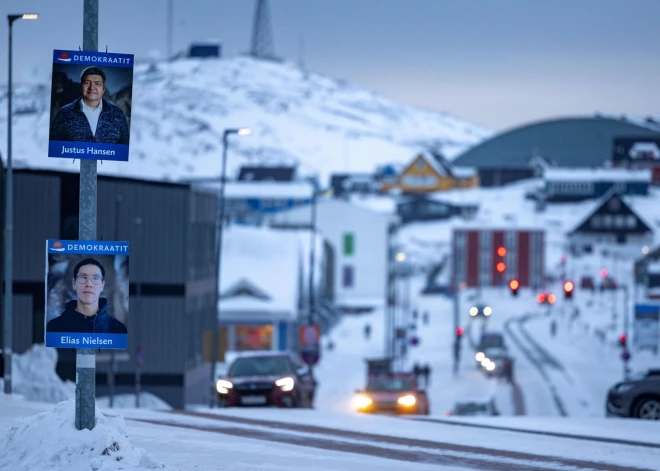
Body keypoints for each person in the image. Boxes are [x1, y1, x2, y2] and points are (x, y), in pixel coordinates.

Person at [50, 66, 129, 144]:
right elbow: (54, 145)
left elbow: (125, 146)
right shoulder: (64, 113)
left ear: (103, 89)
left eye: (97, 84)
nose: (92, 87)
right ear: (81, 87)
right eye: (87, 83)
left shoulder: (118, 114)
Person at [47, 258, 127, 334]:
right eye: (83, 277)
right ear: (74, 283)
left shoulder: (118, 329)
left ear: (102, 285)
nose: (89, 284)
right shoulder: (53, 327)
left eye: (95, 278)